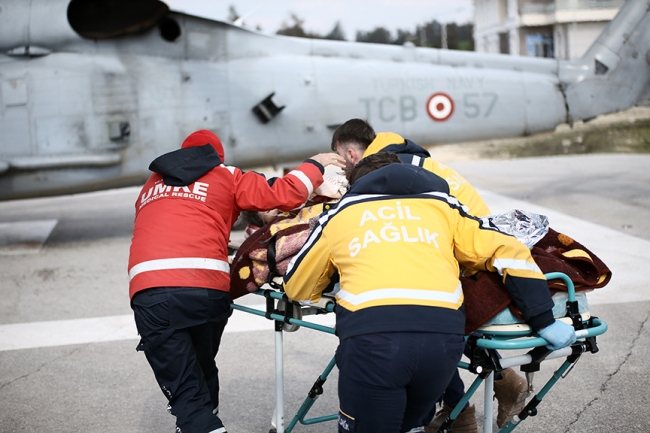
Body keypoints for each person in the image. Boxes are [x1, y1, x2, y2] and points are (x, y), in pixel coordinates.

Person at [283, 153, 576, 433]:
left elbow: (297, 285)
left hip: (373, 343)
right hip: (441, 344)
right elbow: (508, 249)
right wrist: (543, 319)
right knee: (409, 425)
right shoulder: (443, 208)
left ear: (357, 185)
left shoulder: (340, 215)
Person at [128, 129, 344, 433]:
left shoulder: (151, 185)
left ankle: (202, 424)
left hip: (152, 291)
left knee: (186, 388)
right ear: (218, 158)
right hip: (208, 290)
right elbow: (283, 194)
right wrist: (316, 164)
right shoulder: (225, 174)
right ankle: (203, 420)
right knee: (201, 367)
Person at [330, 119, 530, 431]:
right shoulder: (412, 159)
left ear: (352, 154)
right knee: (426, 322)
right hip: (474, 239)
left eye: (341, 162)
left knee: (413, 315)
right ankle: (465, 405)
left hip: (456, 242)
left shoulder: (385, 172)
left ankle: (469, 404)